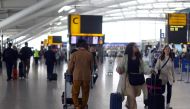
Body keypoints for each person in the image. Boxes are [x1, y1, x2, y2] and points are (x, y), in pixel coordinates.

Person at [116, 43, 153, 109]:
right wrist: (119, 69)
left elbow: (144, 67)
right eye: (135, 46)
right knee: (132, 96)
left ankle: (129, 104)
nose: (137, 47)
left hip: (138, 80)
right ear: (131, 48)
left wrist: (151, 70)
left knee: (132, 97)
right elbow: (120, 66)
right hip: (128, 80)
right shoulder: (125, 57)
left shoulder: (139, 58)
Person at [68, 39, 93, 109]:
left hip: (76, 76)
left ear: (78, 46)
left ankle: (77, 106)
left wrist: (69, 73)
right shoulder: (90, 54)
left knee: (75, 92)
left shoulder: (74, 54)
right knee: (85, 93)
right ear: (85, 46)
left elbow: (70, 67)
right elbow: (92, 67)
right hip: (86, 77)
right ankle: (83, 106)